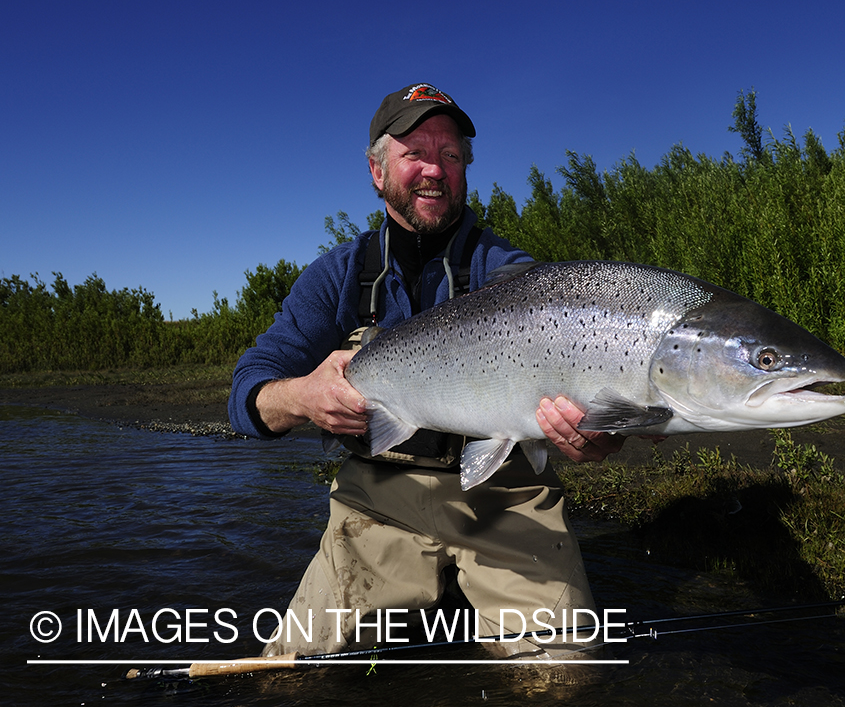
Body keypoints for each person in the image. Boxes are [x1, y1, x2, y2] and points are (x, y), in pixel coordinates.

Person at [228, 82, 623, 669]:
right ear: (377, 170)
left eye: (451, 155)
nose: (434, 170)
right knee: (291, 674)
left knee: (564, 676)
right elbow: (247, 395)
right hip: (378, 500)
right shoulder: (337, 276)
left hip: (506, 500)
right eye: (415, 153)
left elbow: (599, 406)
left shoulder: (512, 275)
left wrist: (600, 436)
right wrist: (303, 396)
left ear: (465, 168)